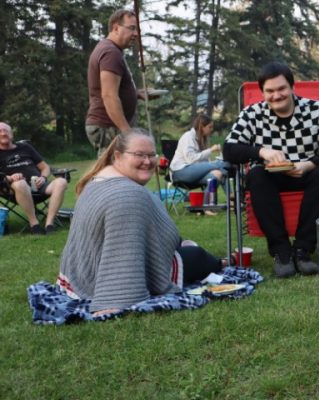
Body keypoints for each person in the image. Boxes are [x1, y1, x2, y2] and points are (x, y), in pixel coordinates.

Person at [58, 131, 225, 315]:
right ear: (118, 156)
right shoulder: (127, 194)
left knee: (187, 249)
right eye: (139, 155)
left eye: (152, 155)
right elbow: (122, 256)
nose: (147, 161)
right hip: (98, 280)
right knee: (197, 256)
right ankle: (224, 262)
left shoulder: (98, 180)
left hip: (80, 276)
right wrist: (115, 299)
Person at [223, 62, 319, 278]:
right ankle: (282, 252)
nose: (276, 95)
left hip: (306, 173)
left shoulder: (316, 110)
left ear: (292, 87)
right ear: (262, 92)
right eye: (270, 91)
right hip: (270, 177)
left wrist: (308, 164)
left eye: (281, 89)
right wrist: (261, 151)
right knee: (256, 174)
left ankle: (303, 250)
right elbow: (229, 149)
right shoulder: (252, 114)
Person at [85, 9, 146, 156]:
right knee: (114, 174)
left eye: (137, 29)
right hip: (108, 126)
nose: (136, 34)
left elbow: (110, 89)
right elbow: (109, 95)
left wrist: (135, 94)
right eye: (132, 28)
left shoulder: (111, 50)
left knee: (117, 172)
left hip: (109, 125)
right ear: (116, 28)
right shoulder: (111, 53)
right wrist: (126, 131)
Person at [0, 122, 68, 234]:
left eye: (6, 131)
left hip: (38, 186)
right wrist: (10, 177)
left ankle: (49, 224)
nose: (3, 134)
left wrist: (43, 177)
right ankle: (34, 224)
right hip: (14, 190)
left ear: (12, 134)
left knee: (61, 182)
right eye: (0, 131)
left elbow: (45, 167)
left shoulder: (25, 147)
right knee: (20, 183)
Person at [170, 114, 227, 208]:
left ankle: (207, 206)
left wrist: (210, 164)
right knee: (221, 165)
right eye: (209, 127)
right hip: (180, 172)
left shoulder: (200, 139)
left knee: (217, 174)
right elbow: (191, 159)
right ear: (201, 127)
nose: (211, 129)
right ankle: (232, 196)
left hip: (194, 173)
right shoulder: (188, 137)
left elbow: (202, 162)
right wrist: (211, 150)